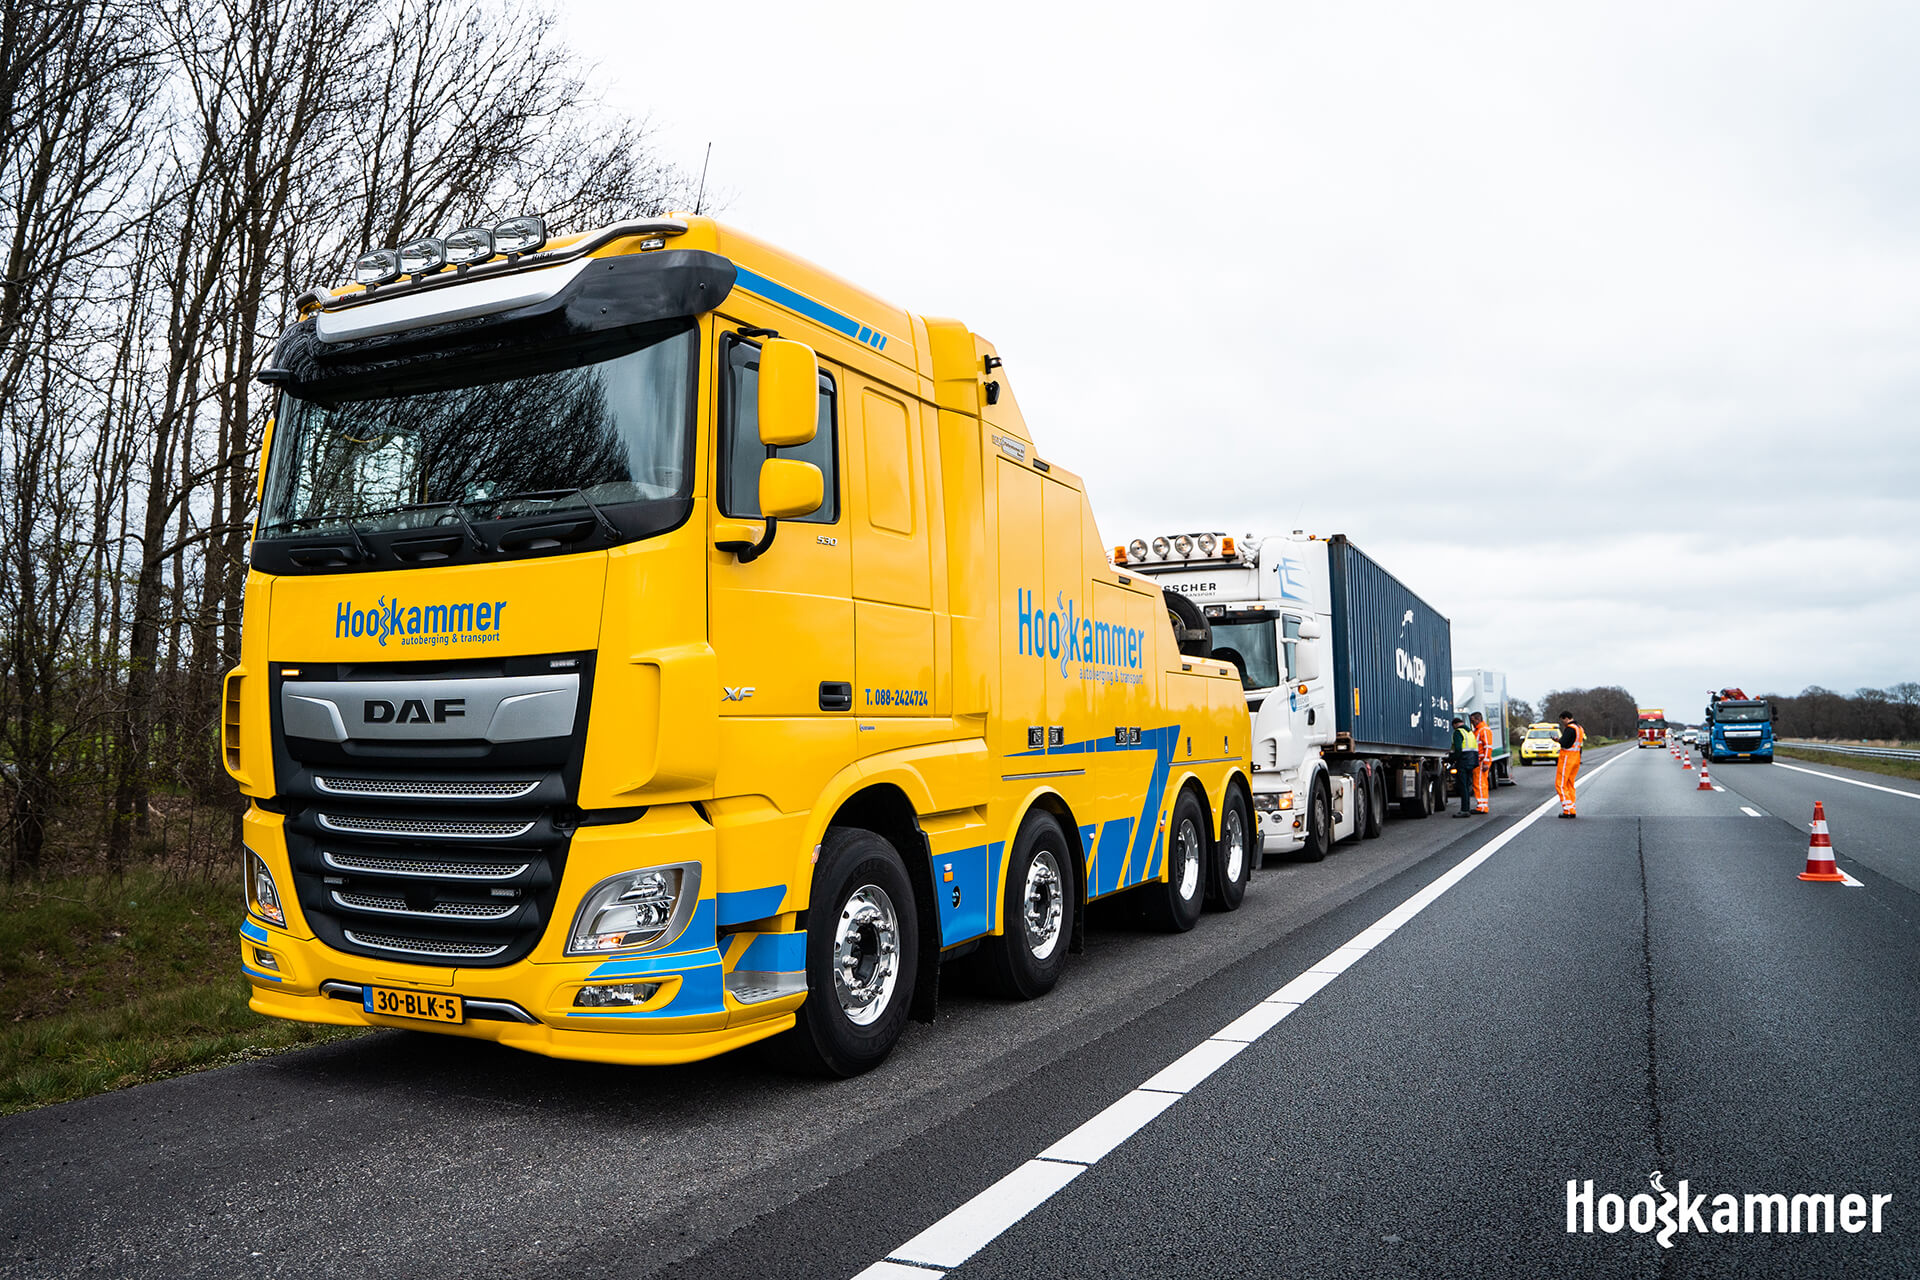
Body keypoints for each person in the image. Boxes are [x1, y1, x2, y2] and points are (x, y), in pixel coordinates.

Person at [1555, 710, 1585, 818]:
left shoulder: (1570, 729)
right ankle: (1572, 808)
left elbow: (1565, 743)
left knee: (1560, 784)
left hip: (1567, 758)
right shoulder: (1580, 728)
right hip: (1576, 757)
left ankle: (1567, 810)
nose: (1563, 723)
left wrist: (1558, 740)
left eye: (1563, 720)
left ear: (1566, 718)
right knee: (1569, 784)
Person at [1450, 716, 1478, 816]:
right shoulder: (1470, 732)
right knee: (1467, 785)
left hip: (1463, 761)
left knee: (1462, 786)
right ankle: (1467, 808)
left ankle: (1464, 810)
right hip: (1472, 761)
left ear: (1455, 725)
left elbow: (1458, 749)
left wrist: (1451, 759)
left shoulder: (1458, 732)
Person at [1471, 711, 1493, 814]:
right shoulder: (1478, 730)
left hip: (1481, 761)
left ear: (1477, 719)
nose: (1472, 723)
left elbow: (1488, 746)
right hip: (1479, 761)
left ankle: (1482, 807)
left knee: (1479, 783)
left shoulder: (1483, 730)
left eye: (1473, 720)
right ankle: (1482, 805)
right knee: (1480, 783)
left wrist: (1485, 761)